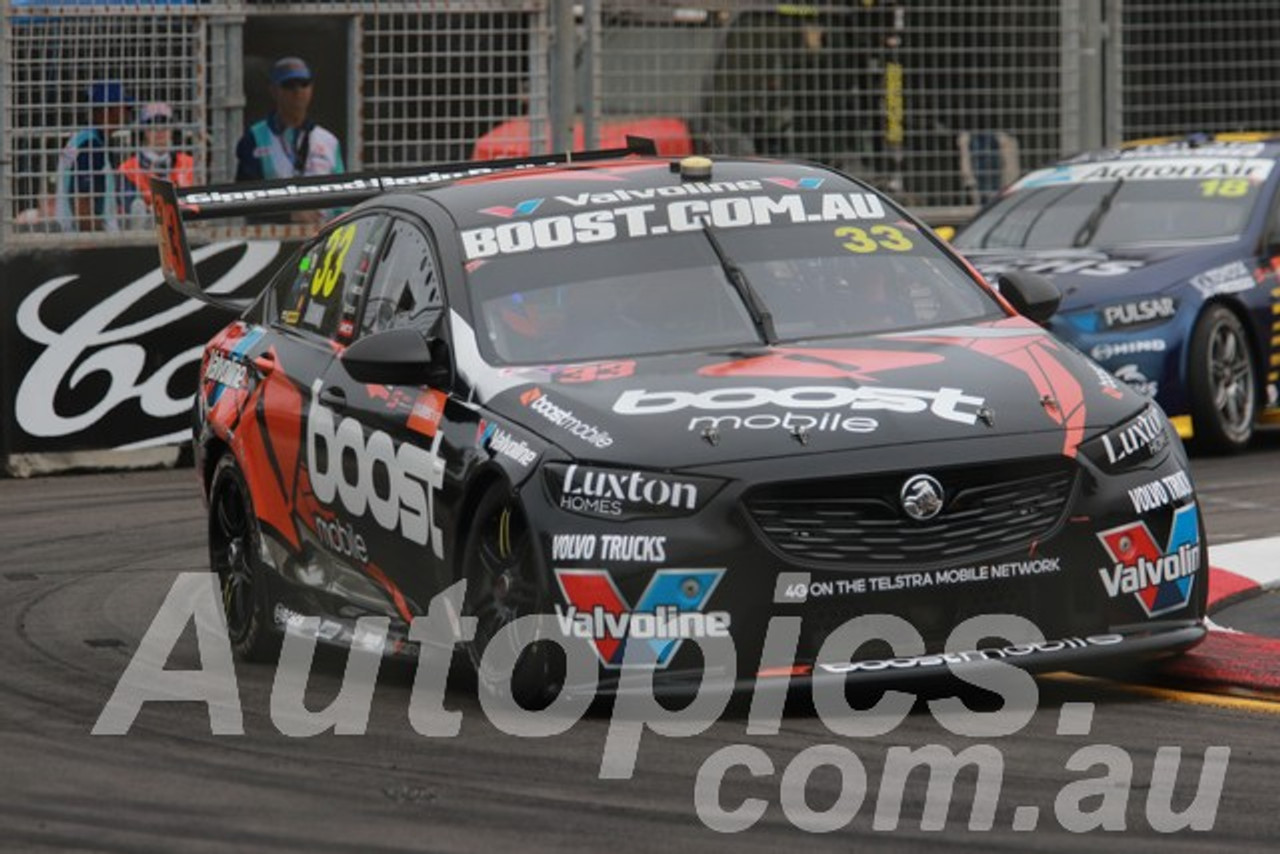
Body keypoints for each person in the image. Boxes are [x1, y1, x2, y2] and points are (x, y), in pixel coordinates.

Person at [235, 57, 344, 223]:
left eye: (303, 84)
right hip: (271, 240)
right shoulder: (255, 138)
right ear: (274, 90)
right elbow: (244, 201)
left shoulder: (328, 141)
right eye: (289, 85)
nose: (297, 91)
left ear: (312, 88)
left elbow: (342, 202)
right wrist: (288, 217)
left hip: (323, 235)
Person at [54, 80, 133, 233]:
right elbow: (82, 204)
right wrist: (96, 244)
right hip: (87, 243)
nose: (127, 113)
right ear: (107, 110)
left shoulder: (86, 139)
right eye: (124, 107)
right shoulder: (90, 145)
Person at [118, 101, 195, 228]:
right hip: (145, 231)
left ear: (172, 129)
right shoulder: (128, 169)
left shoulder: (189, 163)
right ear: (143, 131)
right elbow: (128, 208)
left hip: (184, 227)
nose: (159, 130)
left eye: (164, 124)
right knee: (138, 206)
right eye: (153, 124)